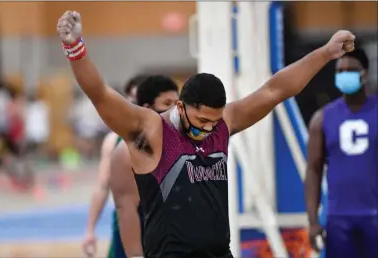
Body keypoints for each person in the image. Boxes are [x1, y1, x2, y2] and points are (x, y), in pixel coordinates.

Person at [57, 10, 355, 258]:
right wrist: (75, 47)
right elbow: (100, 94)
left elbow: (275, 90)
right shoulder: (152, 131)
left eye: (213, 122)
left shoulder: (223, 123)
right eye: (200, 121)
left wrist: (325, 53)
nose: (207, 129)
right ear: (180, 106)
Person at [305, 48, 377, 258]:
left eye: (351, 70)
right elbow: (313, 170)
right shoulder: (322, 118)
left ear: (364, 73)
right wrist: (312, 221)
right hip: (339, 218)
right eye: (340, 70)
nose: (345, 74)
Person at [82, 74, 150, 257]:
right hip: (127, 220)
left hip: (159, 223)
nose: (133, 103)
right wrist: (89, 230)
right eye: (130, 98)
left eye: (138, 98)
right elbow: (102, 186)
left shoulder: (167, 138)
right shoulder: (113, 141)